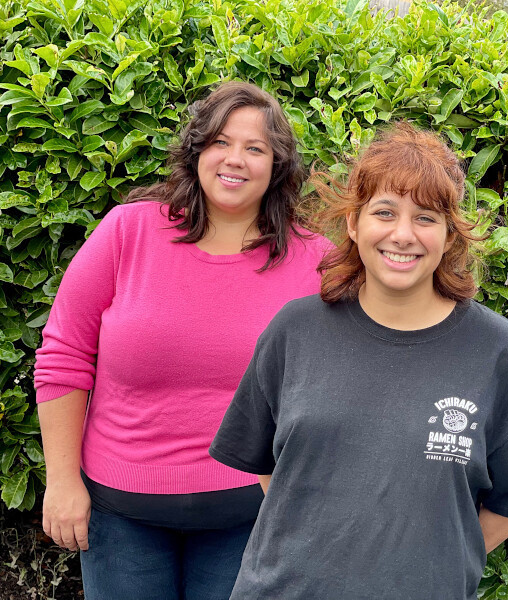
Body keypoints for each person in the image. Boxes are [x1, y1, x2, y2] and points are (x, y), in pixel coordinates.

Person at [210, 122, 508, 600]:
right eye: (384, 212)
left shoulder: (497, 350)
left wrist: (435, 559)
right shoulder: (295, 330)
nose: (403, 234)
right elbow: (271, 468)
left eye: (425, 218)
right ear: (354, 224)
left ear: (448, 234)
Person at [34, 81, 331, 600]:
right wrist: (61, 481)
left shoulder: (315, 261)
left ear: (277, 166)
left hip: (251, 517)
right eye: (220, 141)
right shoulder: (128, 232)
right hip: (119, 515)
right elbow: (64, 354)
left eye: (255, 148)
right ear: (196, 151)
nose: (234, 159)